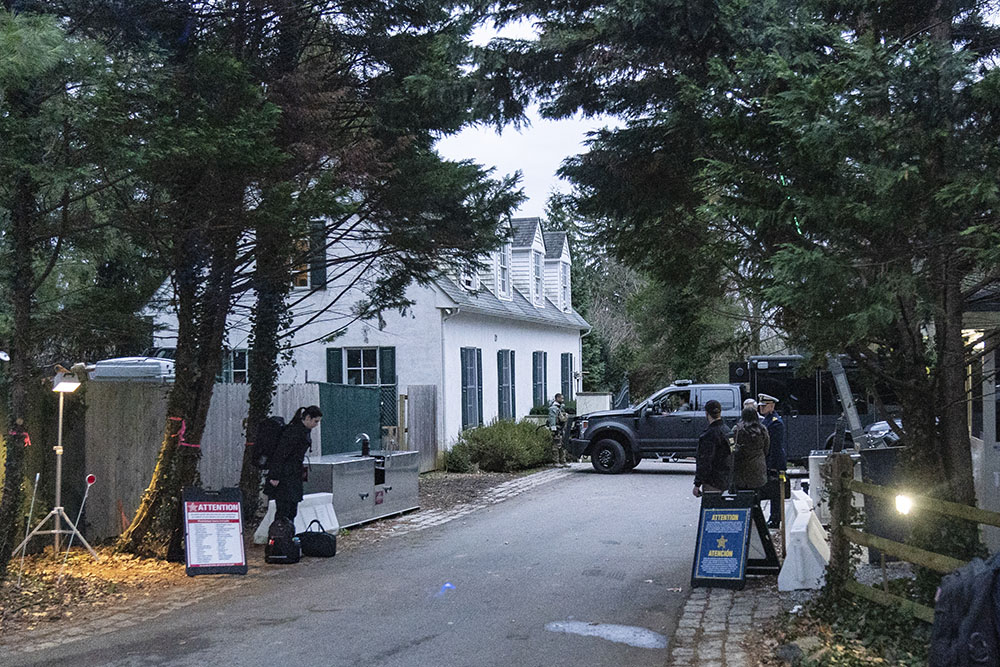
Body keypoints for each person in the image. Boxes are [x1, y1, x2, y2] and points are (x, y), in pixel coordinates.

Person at [264, 405, 323, 522]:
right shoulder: (294, 432)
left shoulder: (302, 431)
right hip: (285, 475)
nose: (316, 425)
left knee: (291, 509)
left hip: (293, 473)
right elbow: (280, 453)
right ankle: (279, 536)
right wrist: (275, 476)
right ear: (307, 418)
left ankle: (286, 535)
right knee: (284, 509)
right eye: (315, 421)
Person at [693, 399, 734, 497]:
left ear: (706, 413)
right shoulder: (728, 431)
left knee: (712, 510)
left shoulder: (709, 435)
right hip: (728, 479)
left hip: (713, 481)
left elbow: (705, 461)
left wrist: (697, 484)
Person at [758, 393, 786, 528]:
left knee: (775, 491)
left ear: (772, 406)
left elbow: (775, 447)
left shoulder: (775, 423)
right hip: (769, 460)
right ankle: (773, 517)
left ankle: (775, 518)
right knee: (771, 489)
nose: (761, 408)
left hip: (775, 461)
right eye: (761, 406)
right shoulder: (766, 420)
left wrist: (772, 465)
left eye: (764, 405)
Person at [731, 406, 770, 493]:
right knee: (757, 495)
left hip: (741, 469)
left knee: (742, 499)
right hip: (758, 469)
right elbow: (766, 449)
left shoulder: (736, 430)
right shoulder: (762, 430)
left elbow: (731, 447)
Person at [548, 393, 569, 467]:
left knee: (562, 445)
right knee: (556, 446)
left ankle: (563, 461)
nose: (562, 400)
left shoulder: (560, 408)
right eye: (561, 398)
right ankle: (556, 462)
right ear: (557, 398)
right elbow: (552, 419)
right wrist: (554, 429)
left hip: (562, 429)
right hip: (557, 429)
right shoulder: (553, 408)